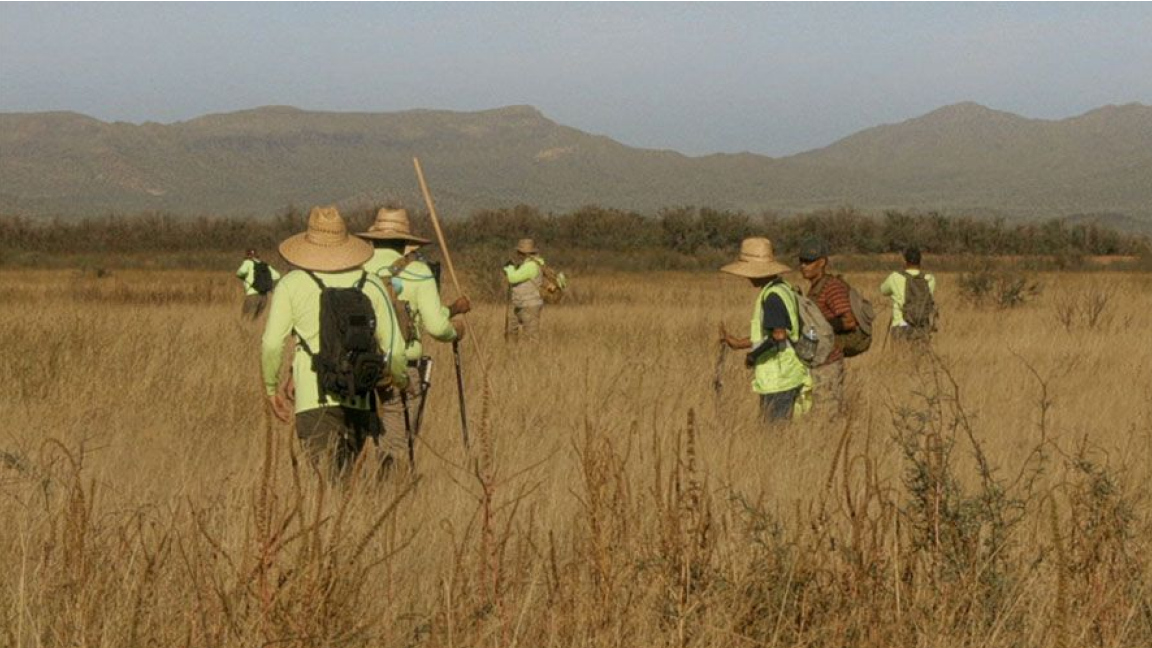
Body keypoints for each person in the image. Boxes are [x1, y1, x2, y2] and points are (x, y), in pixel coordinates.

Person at [262, 206, 408, 479]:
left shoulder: (291, 284)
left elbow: (271, 344)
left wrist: (271, 388)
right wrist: (397, 382)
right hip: (360, 398)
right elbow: (396, 350)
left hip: (312, 399)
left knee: (325, 491)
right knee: (349, 482)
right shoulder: (372, 283)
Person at [357, 207, 470, 474]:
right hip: (403, 367)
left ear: (373, 237)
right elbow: (436, 327)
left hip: (357, 366)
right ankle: (390, 491)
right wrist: (455, 330)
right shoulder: (419, 271)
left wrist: (450, 309)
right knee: (397, 439)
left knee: (358, 436)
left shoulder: (355, 267)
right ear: (405, 240)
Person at [719, 237, 812, 424]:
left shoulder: (772, 297)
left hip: (779, 378)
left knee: (774, 435)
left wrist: (753, 356)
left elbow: (779, 335)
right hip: (790, 373)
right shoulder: (784, 289)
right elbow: (774, 334)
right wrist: (738, 343)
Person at [797, 237, 855, 415]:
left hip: (828, 362)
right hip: (816, 360)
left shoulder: (832, 287)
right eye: (801, 261)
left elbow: (849, 321)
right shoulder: (815, 288)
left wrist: (817, 325)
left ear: (822, 262)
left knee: (826, 415)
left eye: (808, 261)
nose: (803, 266)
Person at [880, 247, 937, 343]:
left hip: (900, 326)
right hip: (921, 326)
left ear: (905, 261)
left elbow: (883, 290)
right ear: (920, 261)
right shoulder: (930, 279)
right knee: (920, 357)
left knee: (898, 357)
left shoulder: (895, 277)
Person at [503, 238, 547, 339]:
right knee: (511, 332)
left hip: (529, 305)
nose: (518, 254)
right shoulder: (527, 264)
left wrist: (508, 268)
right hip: (521, 303)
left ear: (525, 253)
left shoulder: (531, 266)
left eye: (519, 252)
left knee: (531, 337)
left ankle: (530, 354)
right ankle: (514, 352)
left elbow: (513, 278)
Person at [236, 249, 281, 319]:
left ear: (247, 256)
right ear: (257, 256)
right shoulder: (265, 265)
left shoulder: (247, 262)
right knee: (255, 320)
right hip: (264, 297)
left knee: (245, 319)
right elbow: (277, 275)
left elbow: (239, 273)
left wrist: (246, 278)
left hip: (252, 295)